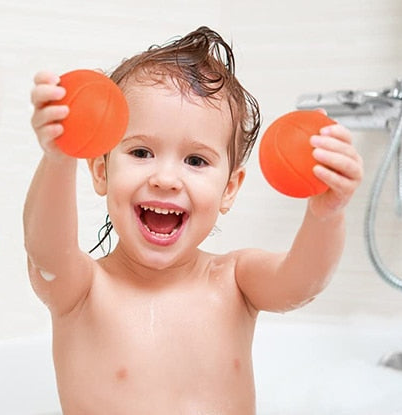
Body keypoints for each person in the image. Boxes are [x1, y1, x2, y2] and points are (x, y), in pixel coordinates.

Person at [24, 26, 363, 414]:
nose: (165, 179)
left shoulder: (235, 280)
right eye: (141, 152)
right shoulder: (83, 290)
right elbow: (45, 252)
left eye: (196, 161)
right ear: (101, 171)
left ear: (229, 189)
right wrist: (58, 157)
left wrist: (327, 215)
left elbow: (301, 282)